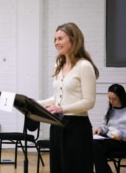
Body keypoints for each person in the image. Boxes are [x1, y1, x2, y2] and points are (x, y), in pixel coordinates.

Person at [37, 22, 99, 173]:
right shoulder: (59, 63)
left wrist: (62, 108)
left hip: (77, 128)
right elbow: (57, 98)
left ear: (73, 39)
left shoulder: (84, 66)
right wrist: (34, 103)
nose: (56, 43)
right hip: (57, 125)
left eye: (60, 38)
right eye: (55, 39)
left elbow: (89, 102)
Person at [93, 84, 126, 173]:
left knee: (96, 146)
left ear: (121, 97)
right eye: (109, 98)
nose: (111, 101)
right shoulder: (110, 110)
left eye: (114, 99)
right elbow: (105, 126)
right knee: (93, 144)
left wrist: (121, 135)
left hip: (122, 142)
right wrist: (100, 129)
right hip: (110, 139)